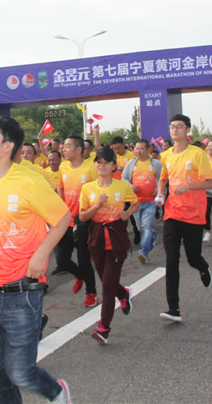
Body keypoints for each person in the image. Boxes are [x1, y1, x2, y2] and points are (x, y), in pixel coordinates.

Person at [0, 116, 72, 404]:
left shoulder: (29, 181)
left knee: (21, 373)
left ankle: (56, 391)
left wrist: (41, 253)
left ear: (8, 146)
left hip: (22, 289)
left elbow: (63, 217)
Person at [156, 115, 212, 322]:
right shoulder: (166, 155)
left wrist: (189, 186)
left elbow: (210, 183)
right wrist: (160, 193)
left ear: (187, 130)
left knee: (193, 258)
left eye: (179, 127)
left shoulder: (198, 154)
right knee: (171, 259)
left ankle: (202, 267)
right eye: (172, 126)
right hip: (172, 212)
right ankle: (174, 308)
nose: (175, 130)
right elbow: (163, 178)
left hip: (194, 213)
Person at [80, 147, 138, 344]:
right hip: (96, 238)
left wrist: (127, 213)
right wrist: (96, 205)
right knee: (108, 282)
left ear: (114, 166)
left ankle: (104, 328)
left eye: (106, 162)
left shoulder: (122, 187)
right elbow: (82, 216)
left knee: (106, 286)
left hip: (116, 238)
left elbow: (136, 202)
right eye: (99, 162)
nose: (101, 166)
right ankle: (123, 294)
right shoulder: (87, 188)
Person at [58, 136, 99, 307]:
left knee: (84, 259)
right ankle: (79, 275)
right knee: (62, 260)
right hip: (66, 220)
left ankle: (91, 293)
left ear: (78, 149)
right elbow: (61, 188)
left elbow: (98, 190)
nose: (63, 149)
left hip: (83, 221)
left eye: (67, 146)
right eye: (63, 146)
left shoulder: (90, 169)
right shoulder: (63, 167)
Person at [122, 139, 162, 263]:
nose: (138, 151)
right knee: (140, 228)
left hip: (150, 202)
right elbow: (124, 178)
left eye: (141, 149)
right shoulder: (131, 164)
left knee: (146, 226)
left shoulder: (155, 163)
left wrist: (159, 189)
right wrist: (130, 185)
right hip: (136, 203)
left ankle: (144, 252)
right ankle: (153, 235)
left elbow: (163, 178)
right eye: (136, 148)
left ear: (148, 149)